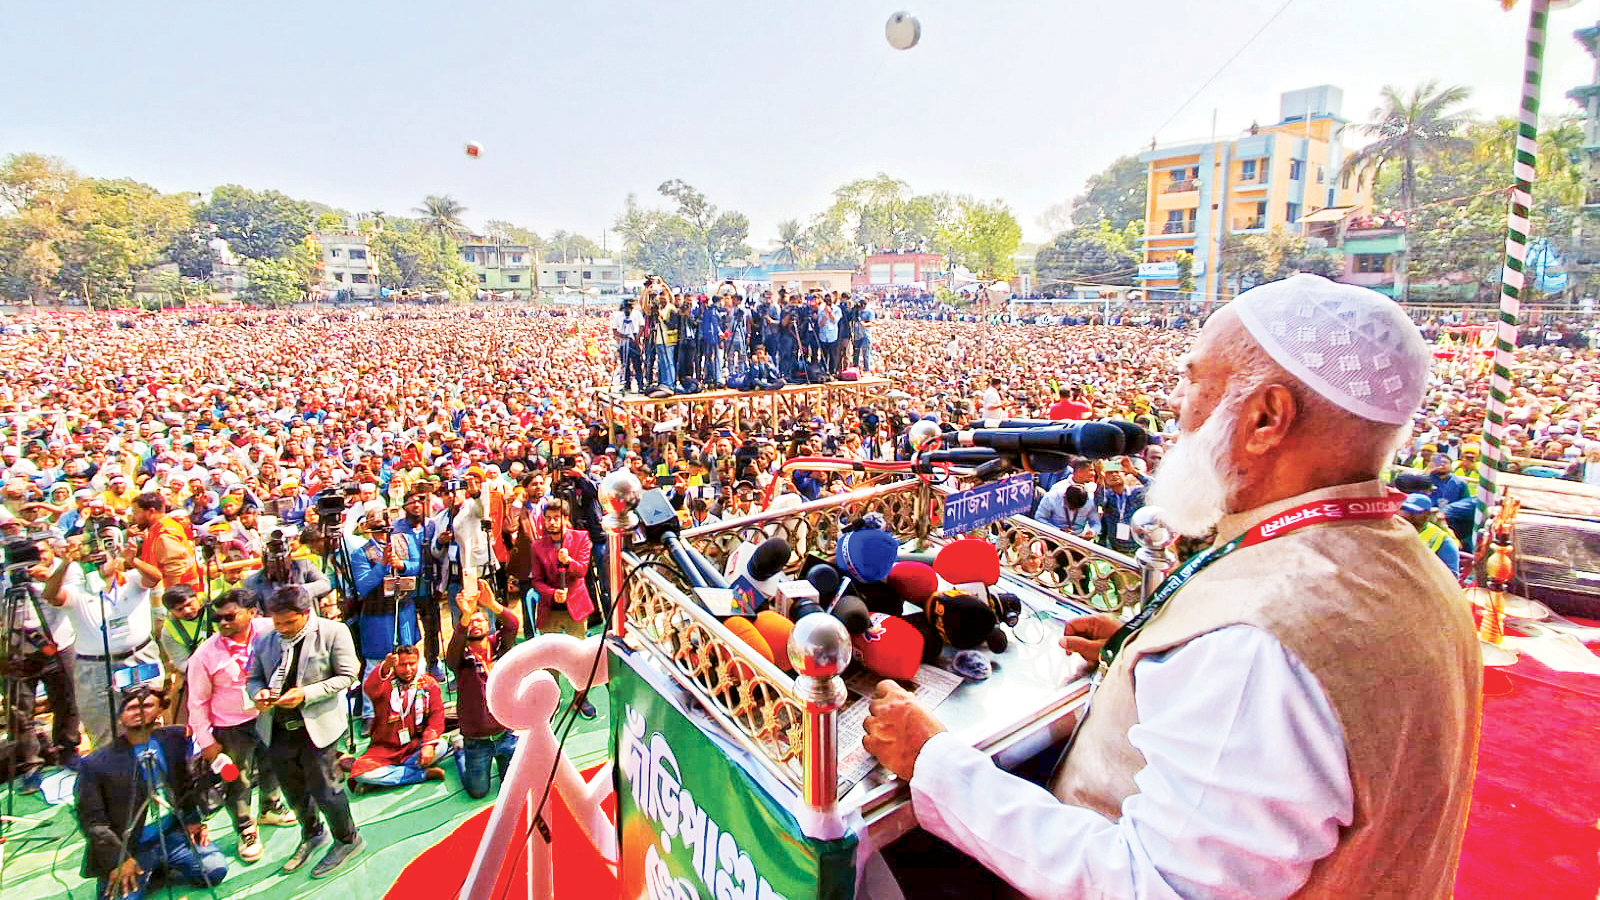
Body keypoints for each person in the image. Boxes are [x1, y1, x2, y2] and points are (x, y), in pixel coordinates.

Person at [862, 275, 1481, 899]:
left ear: (1266, 418)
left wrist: (933, 761)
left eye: (1193, 379)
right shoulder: (1408, 565)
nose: (1175, 404)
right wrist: (1143, 655)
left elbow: (1153, 887)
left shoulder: (1256, 646)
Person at [247, 585, 365, 879]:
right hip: (277, 729)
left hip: (317, 729)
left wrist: (306, 694)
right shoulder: (264, 639)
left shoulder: (333, 632)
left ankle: (347, 839)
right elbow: (253, 677)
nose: (283, 629)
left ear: (306, 613)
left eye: (289, 622)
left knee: (326, 790)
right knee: (293, 790)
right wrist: (258, 693)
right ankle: (312, 833)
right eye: (278, 623)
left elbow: (348, 675)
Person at [74, 682, 229, 900]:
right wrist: (118, 860)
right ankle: (148, 870)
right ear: (119, 717)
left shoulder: (176, 738)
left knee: (215, 869)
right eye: (131, 708)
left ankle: (159, 868)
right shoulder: (96, 763)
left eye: (147, 705)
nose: (139, 711)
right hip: (131, 848)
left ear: (160, 711)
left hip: (172, 836)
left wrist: (192, 819)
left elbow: (186, 784)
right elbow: (93, 822)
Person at [186, 588, 296, 864]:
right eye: (217, 618)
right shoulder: (204, 656)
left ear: (252, 613)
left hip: (267, 714)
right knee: (237, 778)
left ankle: (271, 806)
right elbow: (196, 703)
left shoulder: (269, 631)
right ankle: (245, 827)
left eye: (230, 616)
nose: (222, 623)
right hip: (231, 727)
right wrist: (207, 742)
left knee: (273, 763)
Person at [45, 526, 162, 752]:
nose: (99, 563)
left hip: (139, 659)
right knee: (104, 730)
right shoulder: (77, 590)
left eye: (103, 558)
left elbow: (155, 577)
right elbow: (50, 595)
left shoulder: (132, 579)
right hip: (96, 670)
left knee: (148, 718)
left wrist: (133, 560)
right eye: (93, 560)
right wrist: (66, 563)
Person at [7, 537, 80, 787]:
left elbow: (67, 601)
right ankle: (31, 764)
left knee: (67, 700)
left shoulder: (63, 571)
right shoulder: (5, 580)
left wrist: (47, 578)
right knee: (19, 711)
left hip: (59, 643)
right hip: (17, 651)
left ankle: (67, 749)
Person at [446, 589, 520, 798]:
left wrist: (492, 604)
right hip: (477, 739)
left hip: (505, 732)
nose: (475, 624)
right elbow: (451, 656)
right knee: (478, 791)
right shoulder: (460, 656)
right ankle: (459, 751)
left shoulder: (499, 645)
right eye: (470, 622)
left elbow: (513, 625)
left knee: (511, 787)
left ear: (489, 625)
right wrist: (466, 614)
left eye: (480, 620)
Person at [526, 500, 596, 719]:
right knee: (550, 657)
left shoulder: (581, 537)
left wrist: (569, 561)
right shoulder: (537, 546)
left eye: (557, 518)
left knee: (579, 656)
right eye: (548, 518)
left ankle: (580, 697)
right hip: (550, 610)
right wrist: (551, 593)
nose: (552, 522)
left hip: (576, 607)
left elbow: (582, 570)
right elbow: (537, 580)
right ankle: (552, 699)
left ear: (566, 519)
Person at [349, 645, 448, 790]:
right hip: (384, 750)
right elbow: (370, 687)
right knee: (360, 772)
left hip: (414, 745)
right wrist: (385, 667)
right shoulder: (385, 684)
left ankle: (387, 778)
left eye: (412, 664)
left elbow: (436, 719)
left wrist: (428, 745)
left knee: (441, 746)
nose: (408, 669)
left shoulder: (428, 684)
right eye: (402, 665)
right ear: (394, 665)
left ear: (418, 662)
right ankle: (421, 775)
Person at [156, 585, 211, 725]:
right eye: (179, 609)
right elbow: (181, 663)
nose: (186, 611)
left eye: (189, 604)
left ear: (196, 598)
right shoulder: (169, 631)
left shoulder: (214, 611)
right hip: (195, 678)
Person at [130, 491, 200, 593]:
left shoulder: (165, 534)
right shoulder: (160, 528)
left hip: (181, 596)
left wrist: (172, 599)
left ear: (150, 512)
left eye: (136, 512)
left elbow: (175, 572)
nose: (133, 517)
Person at [1399, 492, 1462, 578]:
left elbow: (1452, 577)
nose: (1407, 515)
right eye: (1405, 509)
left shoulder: (1442, 540)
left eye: (1414, 512)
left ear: (1427, 514)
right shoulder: (1394, 531)